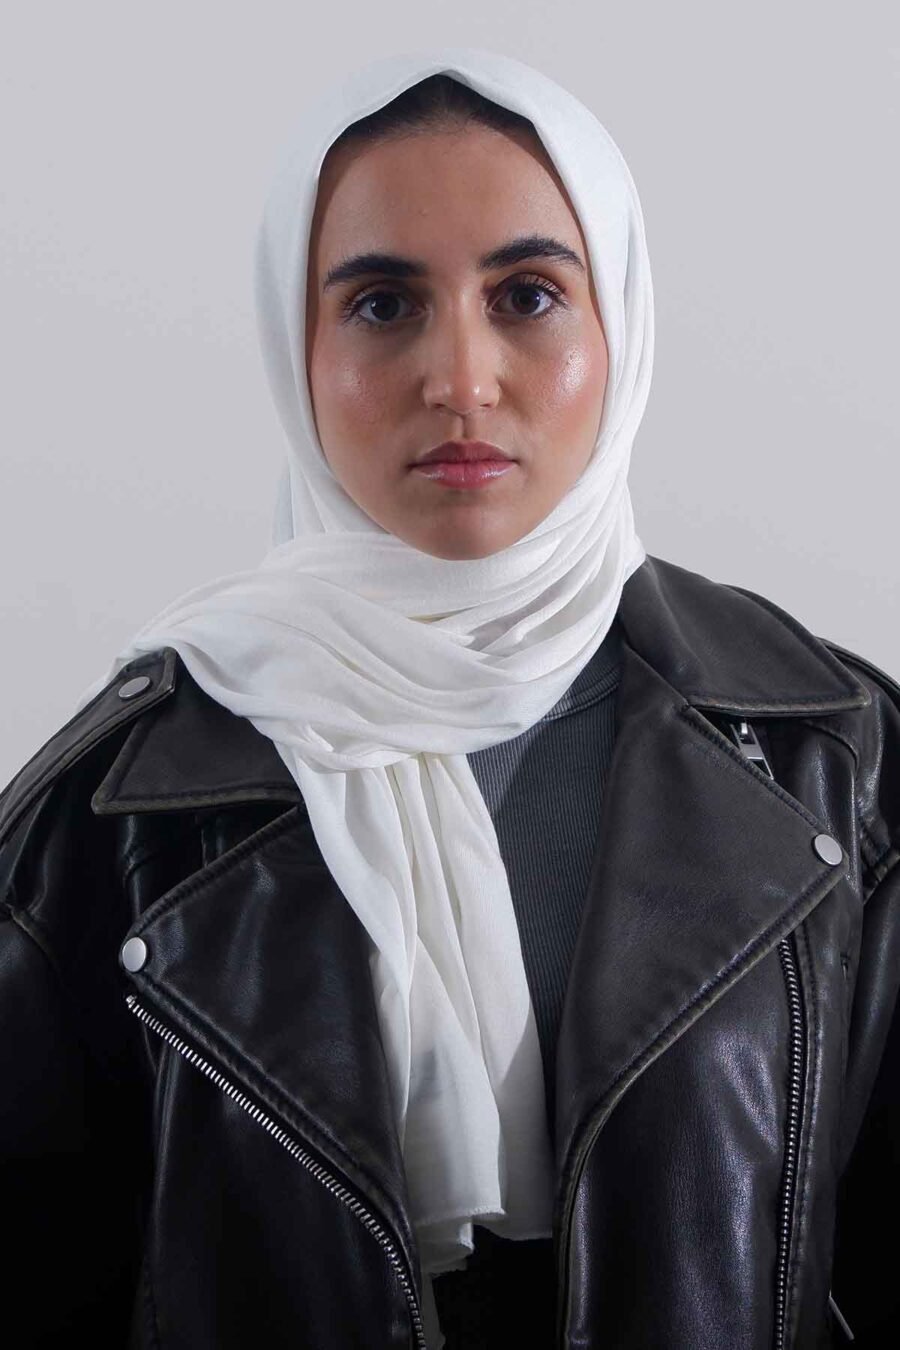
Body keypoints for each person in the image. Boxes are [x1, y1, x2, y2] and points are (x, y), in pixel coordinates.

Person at [0, 44, 897, 1350]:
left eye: (528, 295)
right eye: (383, 304)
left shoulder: (841, 760)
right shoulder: (109, 808)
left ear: (621, 322)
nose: (461, 378)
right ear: (293, 345)